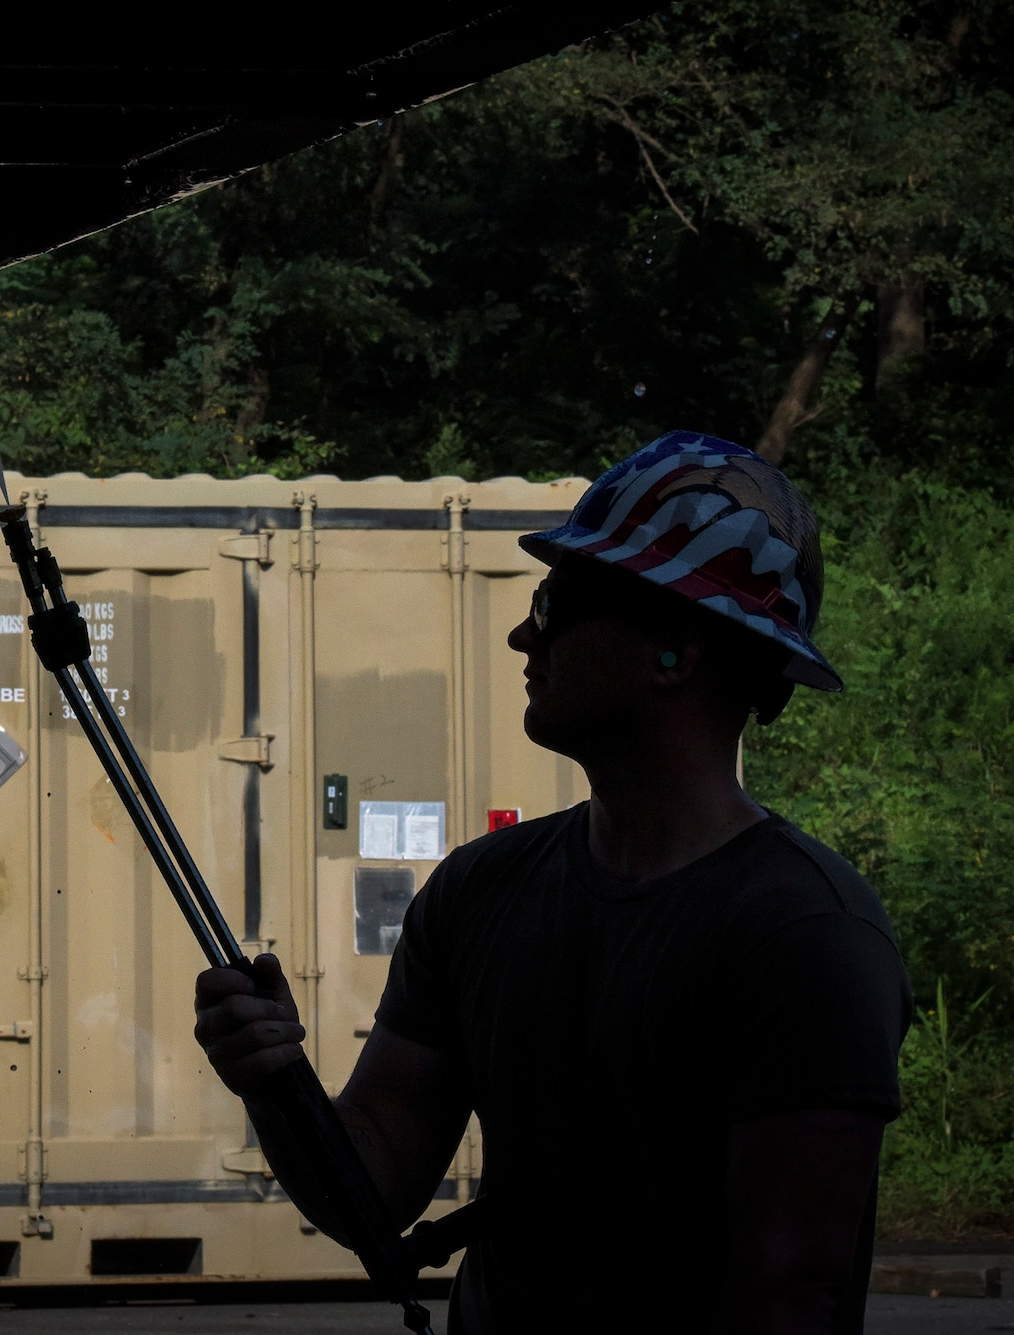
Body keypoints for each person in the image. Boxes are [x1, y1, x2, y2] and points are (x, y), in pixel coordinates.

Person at [194, 433, 912, 1334]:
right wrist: (271, 1077)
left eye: (557, 600)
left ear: (674, 652)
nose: (523, 631)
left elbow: (791, 1296)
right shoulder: (480, 892)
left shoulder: (809, 936)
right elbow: (369, 1192)